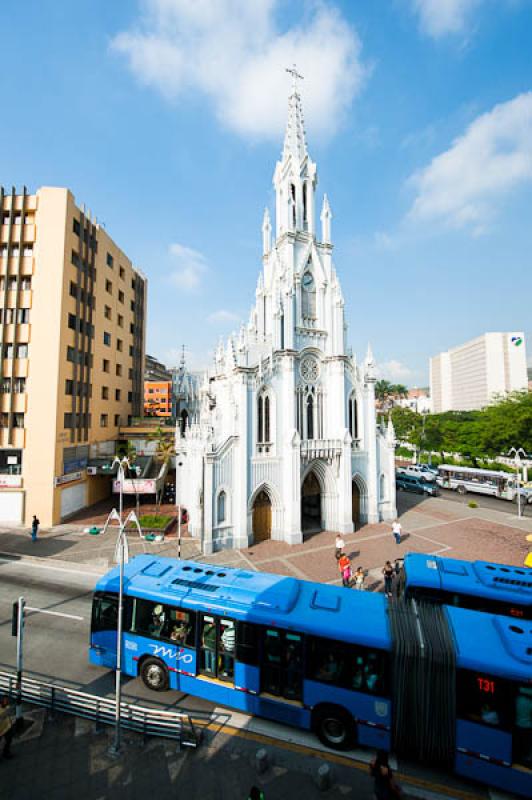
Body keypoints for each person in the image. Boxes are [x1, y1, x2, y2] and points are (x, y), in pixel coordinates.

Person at [0, 695, 14, 759]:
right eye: (5, 700)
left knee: (9, 740)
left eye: (7, 701)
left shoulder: (7, 707)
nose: (7, 702)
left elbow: (7, 715)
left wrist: (10, 723)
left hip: (7, 727)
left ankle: (6, 752)